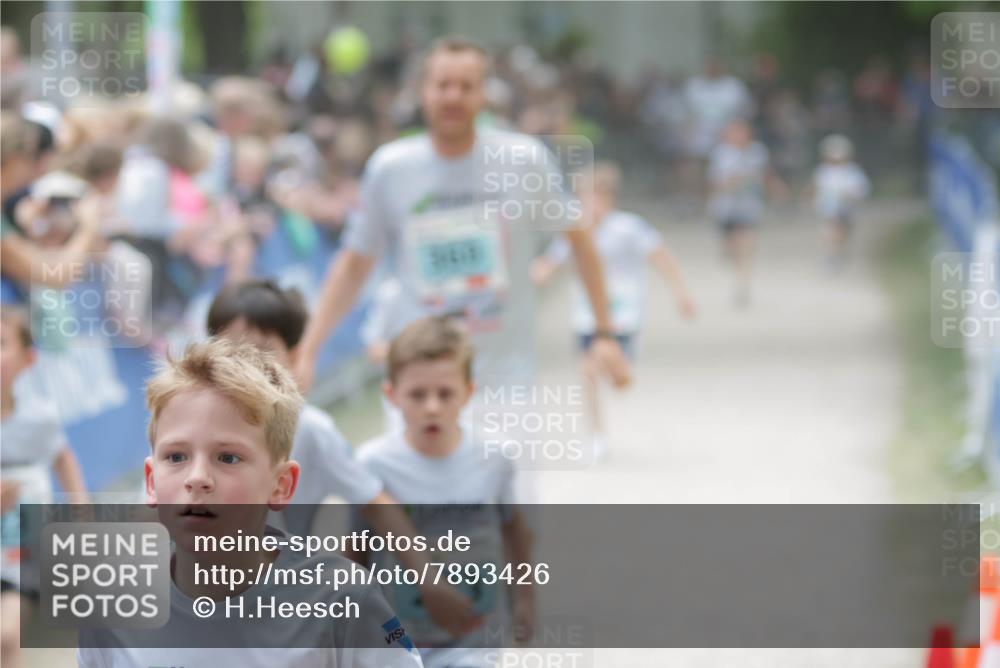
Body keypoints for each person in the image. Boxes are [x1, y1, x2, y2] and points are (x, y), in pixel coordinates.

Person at [294, 36, 630, 399]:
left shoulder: (523, 160)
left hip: (503, 380)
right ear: (423, 92)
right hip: (417, 384)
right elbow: (354, 264)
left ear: (484, 94)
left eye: (466, 86)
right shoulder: (390, 168)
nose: (453, 96)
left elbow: (579, 239)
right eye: (443, 85)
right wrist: (308, 351)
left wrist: (604, 334)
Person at [77, 338, 423, 667]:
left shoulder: (343, 598)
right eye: (176, 456)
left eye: (228, 458)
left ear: (281, 485)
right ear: (151, 481)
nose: (197, 477)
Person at [206, 279, 480, 635]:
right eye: (231, 352)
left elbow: (375, 503)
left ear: (294, 357)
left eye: (262, 352)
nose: (246, 367)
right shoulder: (188, 426)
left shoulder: (310, 431)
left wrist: (429, 582)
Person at [358, 316, 534, 667]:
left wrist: (525, 600)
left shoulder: (495, 456)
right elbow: (356, 551)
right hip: (397, 642)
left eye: (445, 393)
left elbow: (514, 530)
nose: (432, 407)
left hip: (475, 638)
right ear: (391, 395)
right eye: (417, 394)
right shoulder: (372, 465)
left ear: (468, 391)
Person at [532, 162, 696, 457]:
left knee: (618, 380)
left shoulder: (629, 228)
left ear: (608, 197)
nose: (588, 203)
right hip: (586, 316)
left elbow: (662, 259)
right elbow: (549, 266)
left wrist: (681, 293)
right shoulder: (574, 231)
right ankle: (597, 435)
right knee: (587, 371)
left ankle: (619, 373)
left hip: (624, 316)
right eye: (583, 196)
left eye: (594, 195)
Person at [1, 307, 89, 668]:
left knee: (7, 636)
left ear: (28, 359)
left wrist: (81, 512)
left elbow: (63, 457)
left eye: (1, 343)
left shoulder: (39, 417)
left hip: (21, 551)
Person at [707, 119, 782, 307]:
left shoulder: (757, 152)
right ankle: (737, 269)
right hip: (726, 208)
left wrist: (775, 187)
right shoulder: (721, 154)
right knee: (732, 248)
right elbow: (716, 183)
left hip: (749, 207)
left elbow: (766, 174)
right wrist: (736, 180)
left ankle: (742, 282)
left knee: (747, 244)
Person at [812, 134, 869, 270]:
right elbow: (816, 188)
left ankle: (837, 253)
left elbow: (861, 190)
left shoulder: (853, 172)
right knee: (831, 230)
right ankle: (831, 256)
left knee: (842, 232)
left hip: (846, 208)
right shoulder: (823, 171)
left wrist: (850, 195)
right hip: (829, 208)